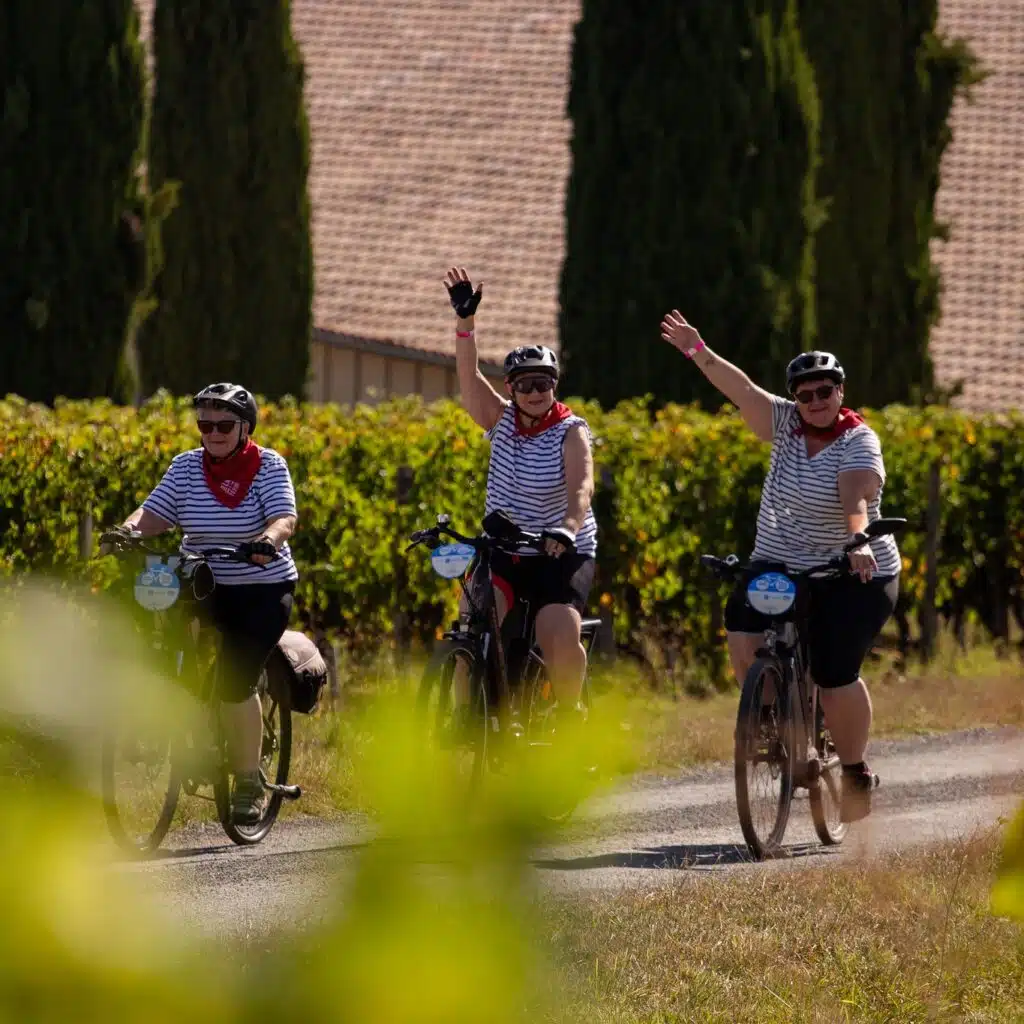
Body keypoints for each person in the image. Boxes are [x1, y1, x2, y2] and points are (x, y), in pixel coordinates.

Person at [660, 311, 900, 822]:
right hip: (780, 561)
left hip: (854, 569)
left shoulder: (859, 441)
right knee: (743, 627)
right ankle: (769, 713)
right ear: (795, 398)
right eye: (806, 394)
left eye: (825, 392)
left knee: (835, 672)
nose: (815, 402)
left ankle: (854, 769)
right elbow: (741, 390)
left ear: (841, 391)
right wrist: (696, 349)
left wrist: (859, 541)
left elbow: (855, 498)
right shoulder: (785, 423)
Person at [100, 383, 299, 825]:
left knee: (235, 679)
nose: (213, 433)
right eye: (205, 424)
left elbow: (284, 517)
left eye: (224, 425)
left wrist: (267, 540)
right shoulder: (186, 467)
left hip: (260, 585)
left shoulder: (268, 466)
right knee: (162, 630)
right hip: (201, 579)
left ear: (245, 427)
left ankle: (248, 780)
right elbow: (153, 512)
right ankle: (187, 719)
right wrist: (128, 531)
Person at [443, 266, 597, 730]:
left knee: (557, 631)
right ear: (510, 388)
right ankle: (466, 719)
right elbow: (468, 379)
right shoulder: (502, 420)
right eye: (525, 384)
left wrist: (567, 530)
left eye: (544, 383)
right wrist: (465, 323)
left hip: (559, 550)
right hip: (507, 547)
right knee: (472, 621)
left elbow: (582, 489)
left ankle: (571, 716)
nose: (535, 392)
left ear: (555, 386)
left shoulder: (572, 431)